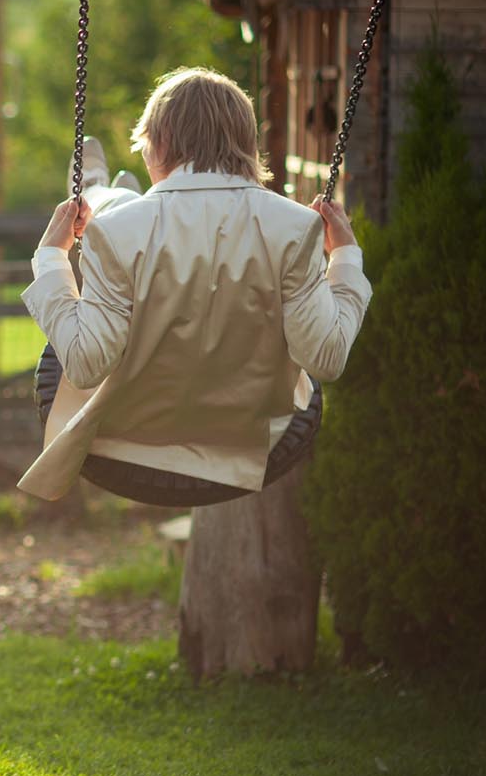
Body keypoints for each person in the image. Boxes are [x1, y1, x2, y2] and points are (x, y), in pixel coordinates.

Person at [20, 67, 372, 501]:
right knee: (131, 218)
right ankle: (103, 192)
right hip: (247, 439)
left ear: (161, 144)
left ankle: (95, 192)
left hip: (126, 438)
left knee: (121, 214)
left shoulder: (111, 234)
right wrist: (345, 257)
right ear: (247, 143)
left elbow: (85, 363)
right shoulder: (297, 228)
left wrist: (51, 257)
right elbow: (326, 358)